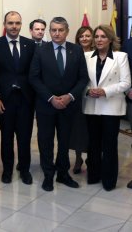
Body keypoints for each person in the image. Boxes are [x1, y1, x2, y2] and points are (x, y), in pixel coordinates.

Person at [29, 16, 89, 192]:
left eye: (60, 30)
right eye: (53, 30)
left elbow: (83, 77)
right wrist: (51, 98)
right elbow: (33, 77)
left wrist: (70, 96)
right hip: (46, 106)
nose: (56, 33)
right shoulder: (41, 51)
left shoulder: (76, 50)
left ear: (67, 31)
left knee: (64, 142)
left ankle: (63, 174)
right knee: (45, 141)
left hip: (69, 106)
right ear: (50, 31)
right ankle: (48, 175)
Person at [0, 11, 36, 185]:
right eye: (10, 23)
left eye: (17, 23)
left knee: (24, 137)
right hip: (4, 100)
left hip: (25, 100)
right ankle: (7, 170)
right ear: (5, 24)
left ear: (21, 24)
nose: (14, 26)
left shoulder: (30, 45)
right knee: (7, 138)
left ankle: (25, 170)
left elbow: (34, 73)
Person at [83, 25, 130, 191]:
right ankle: (94, 176)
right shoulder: (86, 55)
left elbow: (126, 83)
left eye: (103, 36)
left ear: (110, 39)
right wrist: (88, 91)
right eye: (96, 37)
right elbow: (80, 80)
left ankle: (109, 181)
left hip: (111, 106)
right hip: (91, 105)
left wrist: (105, 91)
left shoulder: (120, 57)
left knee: (109, 144)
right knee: (93, 144)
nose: (99, 40)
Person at [70, 26, 94, 174]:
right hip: (77, 97)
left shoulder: (97, 54)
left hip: (94, 97)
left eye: (87, 36)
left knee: (92, 129)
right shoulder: (73, 52)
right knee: (78, 129)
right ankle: (78, 159)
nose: (84, 38)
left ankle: (92, 159)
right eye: (81, 36)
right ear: (77, 38)